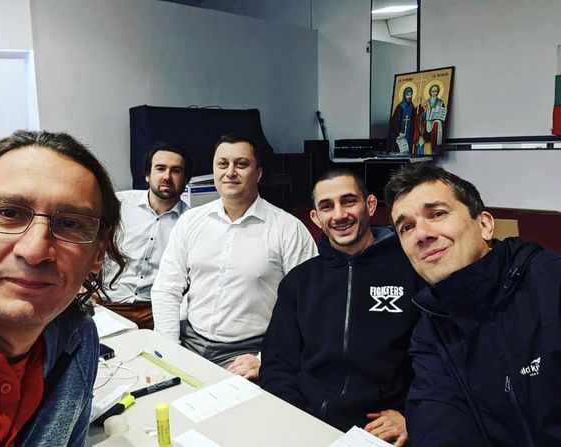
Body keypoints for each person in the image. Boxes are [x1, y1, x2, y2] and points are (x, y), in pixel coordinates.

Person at [0, 130, 125, 446]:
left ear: (98, 252)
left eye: (70, 223)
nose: (35, 251)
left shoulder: (79, 337)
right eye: (9, 213)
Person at [384, 162, 561, 446]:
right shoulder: (430, 330)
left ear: (485, 225)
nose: (421, 234)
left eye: (437, 214)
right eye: (407, 227)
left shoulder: (552, 281)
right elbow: (437, 422)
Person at [260, 168, 423, 444]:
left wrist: (411, 414)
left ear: (370, 205)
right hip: (307, 417)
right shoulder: (299, 281)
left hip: (380, 427)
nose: (339, 215)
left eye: (348, 201)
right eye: (327, 206)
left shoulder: (412, 271)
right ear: (315, 217)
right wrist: (294, 415)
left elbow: (437, 359)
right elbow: (277, 362)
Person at [151, 133, 317, 379]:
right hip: (189, 340)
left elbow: (308, 306)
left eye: (241, 164)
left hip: (247, 353)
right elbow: (166, 289)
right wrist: (170, 349)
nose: (230, 172)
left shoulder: (288, 229)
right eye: (222, 164)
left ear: (258, 173)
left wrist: (265, 359)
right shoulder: (190, 221)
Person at [100, 142, 191, 329]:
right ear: (147, 175)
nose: (167, 177)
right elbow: (87, 244)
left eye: (176, 171)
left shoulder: (191, 222)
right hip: (109, 304)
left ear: (186, 179)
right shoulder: (118, 204)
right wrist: (83, 286)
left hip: (156, 311)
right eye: (160, 168)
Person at [415, 84, 447, 155]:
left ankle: (435, 151)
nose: (434, 93)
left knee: (436, 125)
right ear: (430, 92)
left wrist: (439, 119)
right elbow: (421, 119)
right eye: (432, 91)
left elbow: (443, 117)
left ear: (438, 92)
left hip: (436, 127)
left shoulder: (441, 103)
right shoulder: (426, 103)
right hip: (426, 127)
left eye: (435, 91)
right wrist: (425, 111)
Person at [388, 86, 416, 154]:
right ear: (404, 95)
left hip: (409, 134)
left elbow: (414, 120)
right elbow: (394, 122)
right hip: (400, 134)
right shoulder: (400, 107)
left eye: (411, 94)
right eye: (407, 95)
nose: (409, 96)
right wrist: (398, 132)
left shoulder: (412, 107)